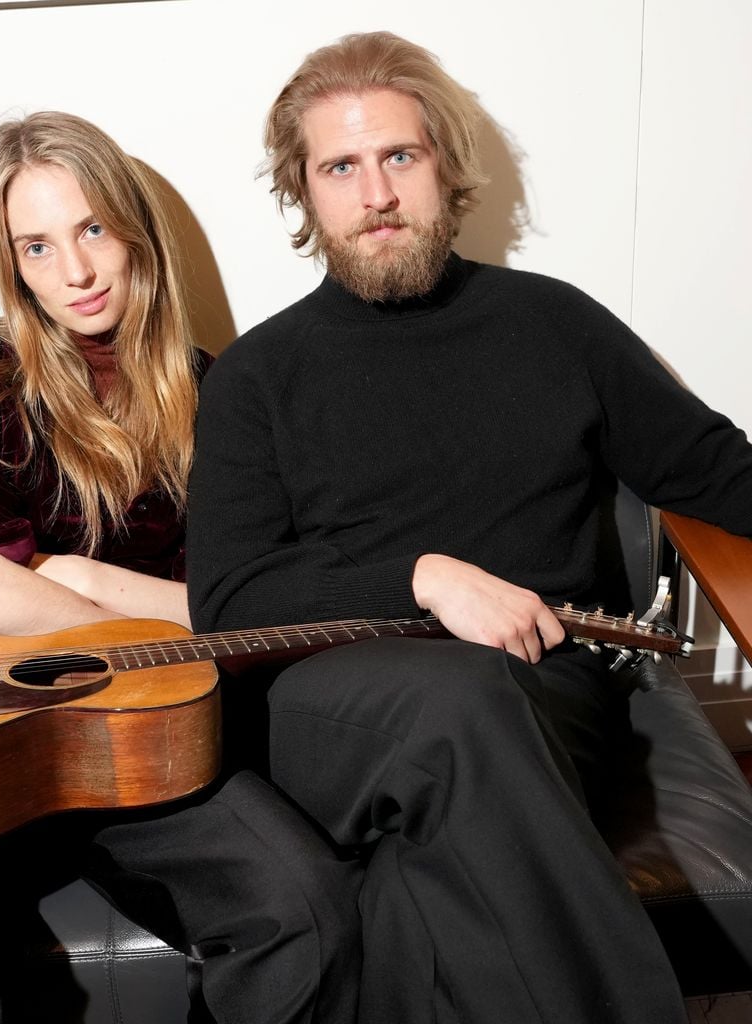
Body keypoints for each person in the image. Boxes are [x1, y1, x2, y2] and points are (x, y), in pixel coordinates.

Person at [185, 31, 752, 1024]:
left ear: (444, 167)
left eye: (399, 155)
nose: (376, 193)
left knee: (425, 883)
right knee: (456, 703)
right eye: (341, 167)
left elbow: (712, 469)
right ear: (304, 191)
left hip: (542, 690)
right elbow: (227, 600)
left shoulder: (555, 326)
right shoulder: (256, 378)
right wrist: (422, 577)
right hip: (331, 704)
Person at [0, 111, 360, 1024]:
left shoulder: (220, 394)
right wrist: (156, 621)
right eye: (35, 247)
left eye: (89, 230)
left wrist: (74, 579)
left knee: (306, 909)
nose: (74, 273)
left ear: (131, 228)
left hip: (141, 757)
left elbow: (237, 611)